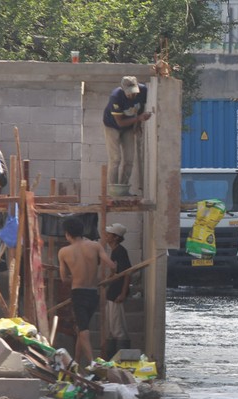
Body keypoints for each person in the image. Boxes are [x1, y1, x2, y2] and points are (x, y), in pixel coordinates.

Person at [58, 217, 116, 366]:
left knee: (83, 329)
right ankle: (77, 361)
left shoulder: (64, 252)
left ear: (67, 234)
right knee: (80, 329)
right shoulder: (95, 245)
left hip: (78, 293)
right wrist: (113, 273)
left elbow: (64, 278)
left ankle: (91, 363)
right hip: (93, 293)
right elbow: (111, 265)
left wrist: (76, 276)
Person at [103, 76, 153, 188]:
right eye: (129, 93)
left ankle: (123, 188)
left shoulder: (143, 90)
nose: (132, 95)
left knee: (129, 159)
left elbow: (141, 108)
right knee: (115, 159)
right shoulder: (115, 97)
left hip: (129, 126)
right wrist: (139, 119)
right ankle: (114, 189)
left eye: (134, 92)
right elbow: (120, 123)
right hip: (112, 126)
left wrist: (138, 125)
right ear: (123, 89)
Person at [104, 223, 133, 359]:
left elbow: (127, 273)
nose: (106, 236)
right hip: (113, 292)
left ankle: (120, 360)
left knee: (118, 328)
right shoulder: (114, 251)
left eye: (109, 234)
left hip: (117, 294)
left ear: (115, 237)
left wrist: (123, 293)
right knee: (112, 327)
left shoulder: (120, 251)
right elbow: (115, 272)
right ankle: (112, 358)